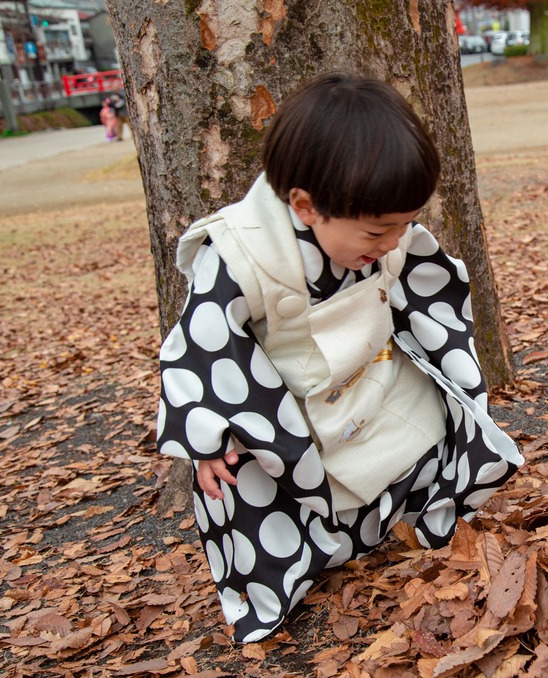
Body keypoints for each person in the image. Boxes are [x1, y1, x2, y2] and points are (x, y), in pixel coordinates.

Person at [156, 72, 523, 643]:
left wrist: (449, 357)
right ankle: (286, 576)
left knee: (434, 427)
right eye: (378, 232)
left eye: (403, 226)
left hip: (374, 379)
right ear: (305, 206)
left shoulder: (380, 226)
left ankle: (412, 519)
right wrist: (207, 438)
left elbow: (427, 292)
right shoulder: (242, 252)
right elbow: (205, 344)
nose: (393, 244)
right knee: (241, 483)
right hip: (292, 416)